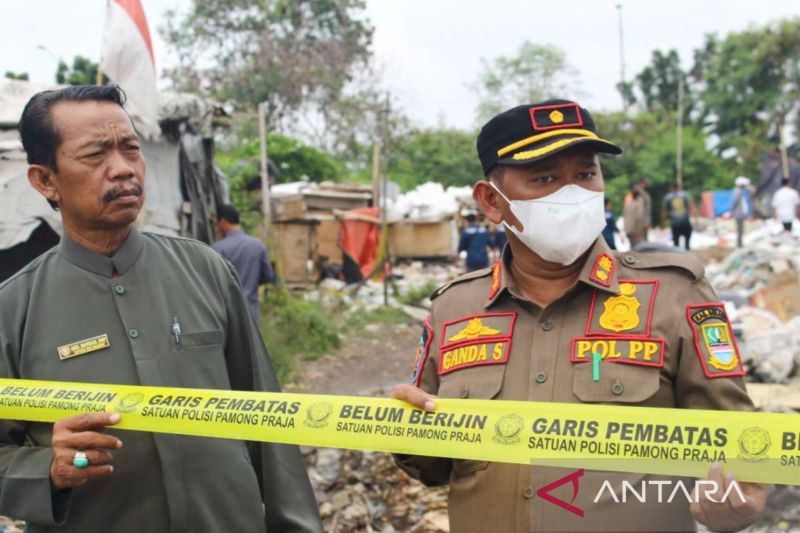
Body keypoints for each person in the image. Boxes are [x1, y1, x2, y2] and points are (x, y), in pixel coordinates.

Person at [391, 99, 768, 532]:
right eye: (545, 178)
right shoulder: (454, 308)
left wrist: (741, 494)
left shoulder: (673, 294)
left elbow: (740, 442)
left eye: (585, 175)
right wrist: (408, 432)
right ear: (491, 202)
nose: (571, 194)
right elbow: (432, 467)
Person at [0, 85, 323, 533]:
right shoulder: (13, 310)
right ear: (44, 180)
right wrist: (46, 470)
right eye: (96, 155)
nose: (122, 169)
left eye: (130, 148)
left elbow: (268, 422)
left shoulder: (205, 270)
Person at [213, 204, 275, 322]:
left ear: (223, 221)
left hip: (228, 314)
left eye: (217, 224)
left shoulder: (218, 249)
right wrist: (251, 280)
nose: (217, 228)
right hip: (251, 312)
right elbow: (268, 276)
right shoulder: (258, 245)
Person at [662, 182, 696, 250]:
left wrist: (662, 222)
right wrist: (694, 215)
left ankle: (677, 256)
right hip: (685, 221)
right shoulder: (685, 195)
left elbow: (664, 210)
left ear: (671, 187)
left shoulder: (668, 197)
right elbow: (691, 206)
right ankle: (687, 252)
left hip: (675, 222)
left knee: (676, 244)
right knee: (687, 242)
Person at [731, 176, 753, 248]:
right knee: (739, 229)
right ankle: (739, 243)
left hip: (740, 214)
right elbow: (735, 202)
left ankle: (740, 243)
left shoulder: (740, 191)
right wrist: (731, 211)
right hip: (738, 214)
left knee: (741, 229)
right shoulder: (738, 191)